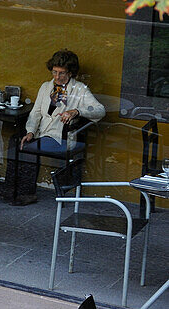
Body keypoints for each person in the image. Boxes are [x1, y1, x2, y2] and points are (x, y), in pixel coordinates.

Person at [7, 50, 106, 205]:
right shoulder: (46, 87)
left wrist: (77, 111)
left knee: (27, 148)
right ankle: (11, 189)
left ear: (71, 73)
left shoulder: (79, 89)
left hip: (61, 137)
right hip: (42, 133)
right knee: (15, 141)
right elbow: (36, 113)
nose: (57, 77)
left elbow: (100, 110)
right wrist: (31, 131)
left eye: (62, 73)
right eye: (54, 72)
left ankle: (27, 193)